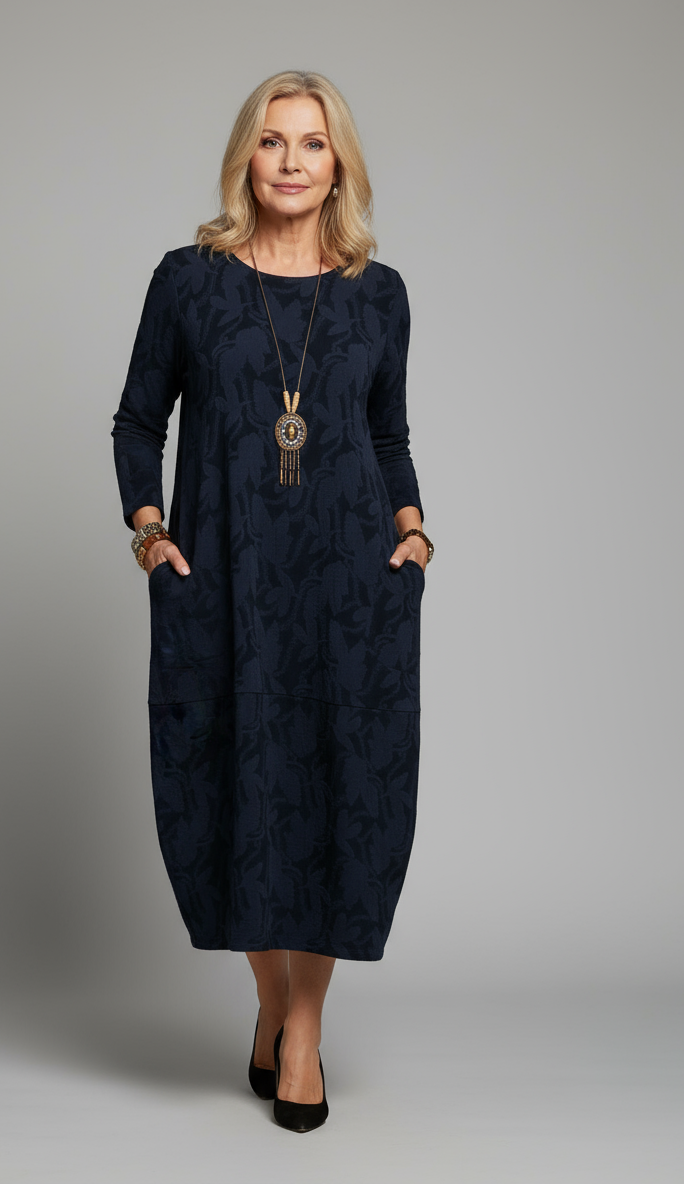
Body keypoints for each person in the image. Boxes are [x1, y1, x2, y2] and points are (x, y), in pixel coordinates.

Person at [111, 70, 433, 1133]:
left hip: (350, 593)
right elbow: (137, 421)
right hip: (226, 584)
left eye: (313, 143)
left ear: (340, 166)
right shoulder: (189, 281)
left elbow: (388, 435)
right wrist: (150, 531)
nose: (292, 161)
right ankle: (268, 995)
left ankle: (303, 1028)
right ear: (245, 158)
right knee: (228, 791)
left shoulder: (378, 294)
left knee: (343, 792)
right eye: (272, 141)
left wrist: (415, 531)